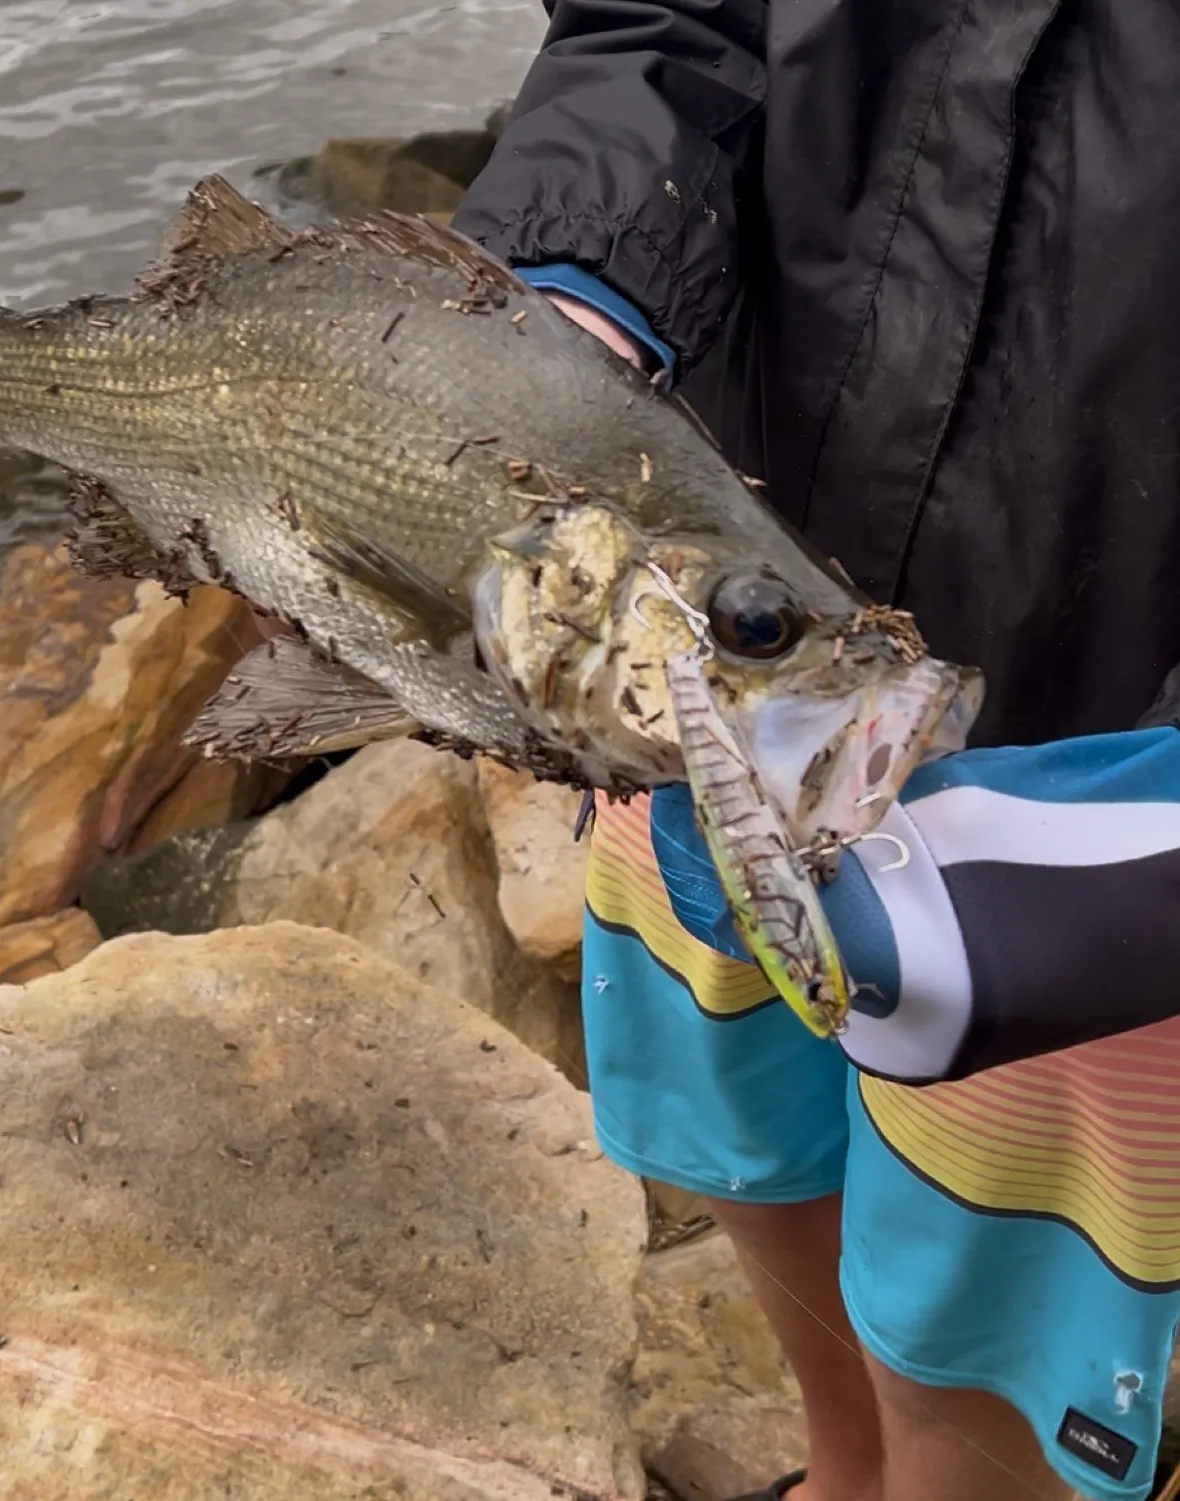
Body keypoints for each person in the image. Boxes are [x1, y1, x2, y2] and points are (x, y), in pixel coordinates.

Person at [450, 5, 1180, 1500]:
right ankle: (842, 1466)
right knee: (750, 1140)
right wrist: (571, 291)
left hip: (1085, 801)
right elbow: (663, 21)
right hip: (703, 663)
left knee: (997, 1315)